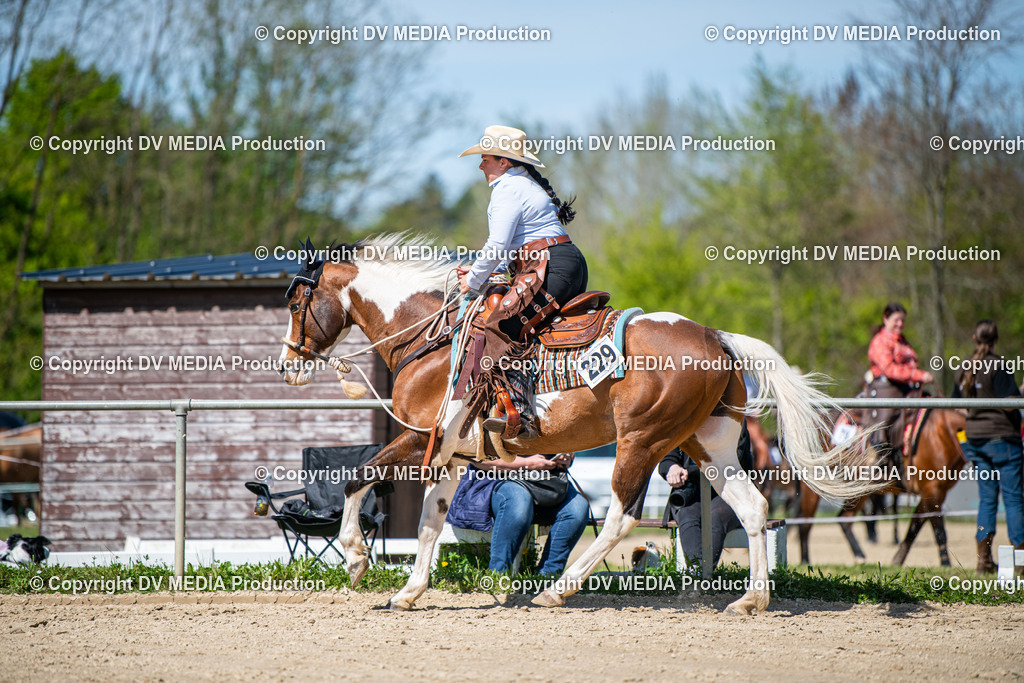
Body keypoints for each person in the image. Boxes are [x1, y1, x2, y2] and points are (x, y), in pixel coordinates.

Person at [456, 125, 589, 439]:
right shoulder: (522, 185)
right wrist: (483, 272)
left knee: (500, 325)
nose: (480, 165)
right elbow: (507, 251)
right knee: (527, 326)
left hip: (548, 266)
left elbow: (497, 245)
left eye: (485, 158)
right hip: (562, 263)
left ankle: (521, 414)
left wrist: (473, 280)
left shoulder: (507, 188)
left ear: (503, 162)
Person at [951, 319, 1024, 574]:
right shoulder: (999, 365)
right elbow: (1010, 404)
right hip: (1004, 441)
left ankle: (983, 560)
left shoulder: (963, 368)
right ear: (996, 340)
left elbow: (956, 406)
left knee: (987, 500)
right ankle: (1021, 563)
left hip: (976, 442)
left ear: (974, 338)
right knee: (1014, 500)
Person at [448, 452, 589, 575]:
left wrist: (566, 457)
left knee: (578, 508)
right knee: (518, 503)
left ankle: (547, 576)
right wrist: (527, 463)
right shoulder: (488, 419)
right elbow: (478, 458)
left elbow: (568, 449)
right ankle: (497, 574)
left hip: (547, 481)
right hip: (498, 478)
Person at [658, 422, 754, 570]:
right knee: (686, 514)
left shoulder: (734, 421)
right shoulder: (681, 419)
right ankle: (697, 571)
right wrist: (673, 468)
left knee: (714, 517)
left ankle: (704, 573)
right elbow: (666, 460)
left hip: (730, 491)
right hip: (692, 493)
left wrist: (689, 472)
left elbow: (733, 465)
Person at [866, 302, 934, 472]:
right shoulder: (880, 341)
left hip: (907, 388)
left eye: (903, 320)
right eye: (896, 320)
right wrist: (918, 375)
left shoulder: (903, 342)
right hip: (886, 389)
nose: (900, 324)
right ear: (885, 319)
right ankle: (879, 456)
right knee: (885, 421)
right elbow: (888, 369)